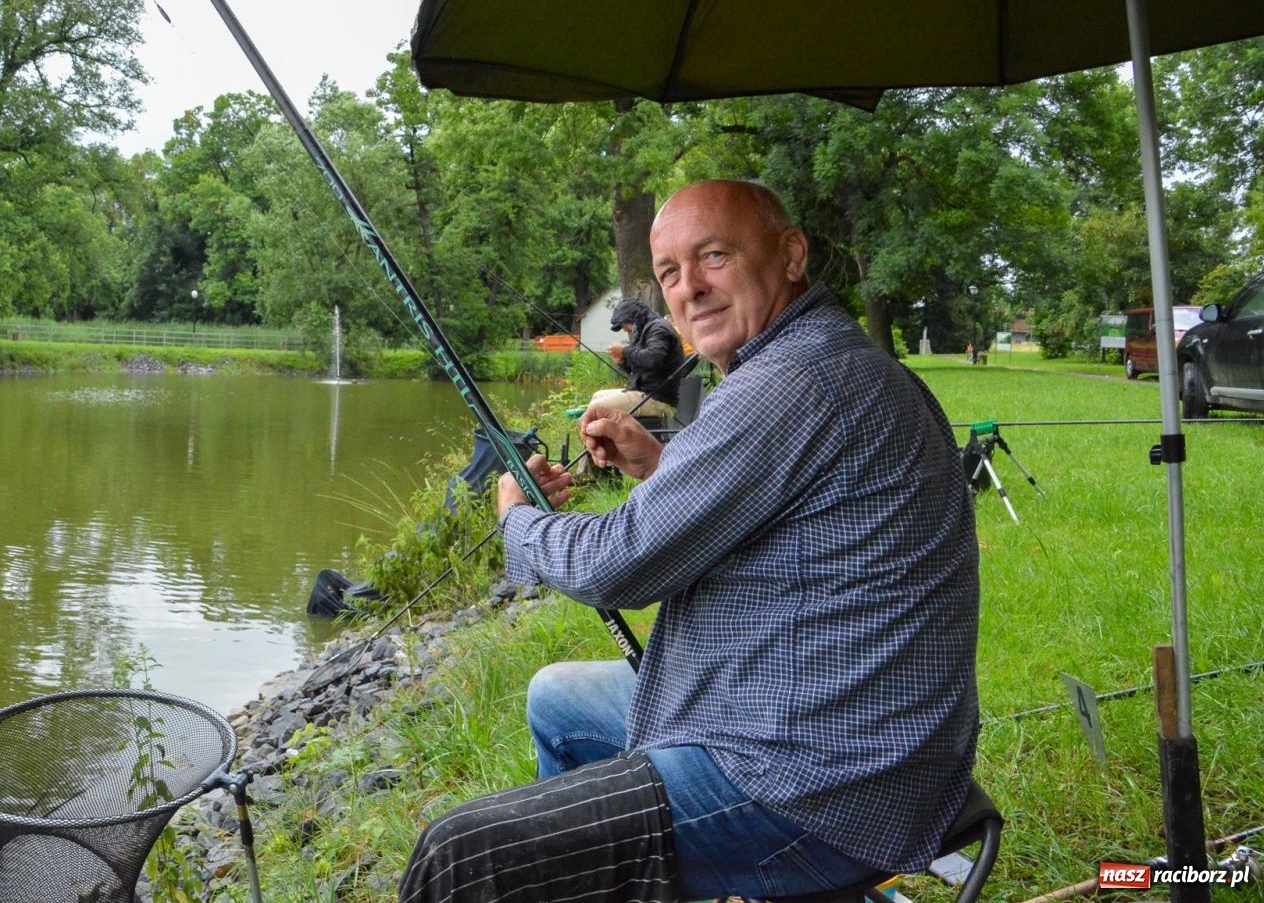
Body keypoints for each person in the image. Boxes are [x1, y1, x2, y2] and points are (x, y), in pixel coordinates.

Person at [398, 179, 979, 903]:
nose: (690, 289)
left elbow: (615, 566)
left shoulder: (788, 382)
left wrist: (519, 519)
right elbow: (775, 511)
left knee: (462, 855)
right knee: (558, 699)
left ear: (791, 254)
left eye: (714, 256)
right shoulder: (824, 360)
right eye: (670, 272)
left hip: (819, 782)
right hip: (850, 729)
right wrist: (657, 465)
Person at [586, 296, 688, 420]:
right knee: (598, 396)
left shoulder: (659, 328)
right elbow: (639, 371)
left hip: (658, 399)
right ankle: (610, 438)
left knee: (596, 407)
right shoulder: (645, 331)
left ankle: (594, 437)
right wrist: (622, 362)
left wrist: (624, 350)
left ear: (635, 319)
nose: (625, 330)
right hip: (646, 393)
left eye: (624, 325)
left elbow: (653, 359)